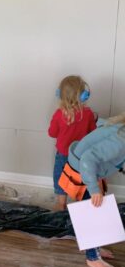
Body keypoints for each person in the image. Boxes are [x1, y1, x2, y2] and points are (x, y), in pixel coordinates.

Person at [60, 113, 125, 267]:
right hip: (83, 172)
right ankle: (92, 258)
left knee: (95, 213)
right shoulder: (121, 140)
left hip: (89, 171)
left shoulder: (121, 128)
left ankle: (93, 247)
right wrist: (94, 189)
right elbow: (88, 159)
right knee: (94, 216)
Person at [48, 76, 96, 210]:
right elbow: (93, 133)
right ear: (83, 95)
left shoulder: (58, 114)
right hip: (81, 155)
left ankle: (61, 203)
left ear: (60, 95)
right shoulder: (88, 114)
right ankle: (81, 204)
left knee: (60, 178)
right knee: (80, 178)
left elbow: (52, 133)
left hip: (63, 154)